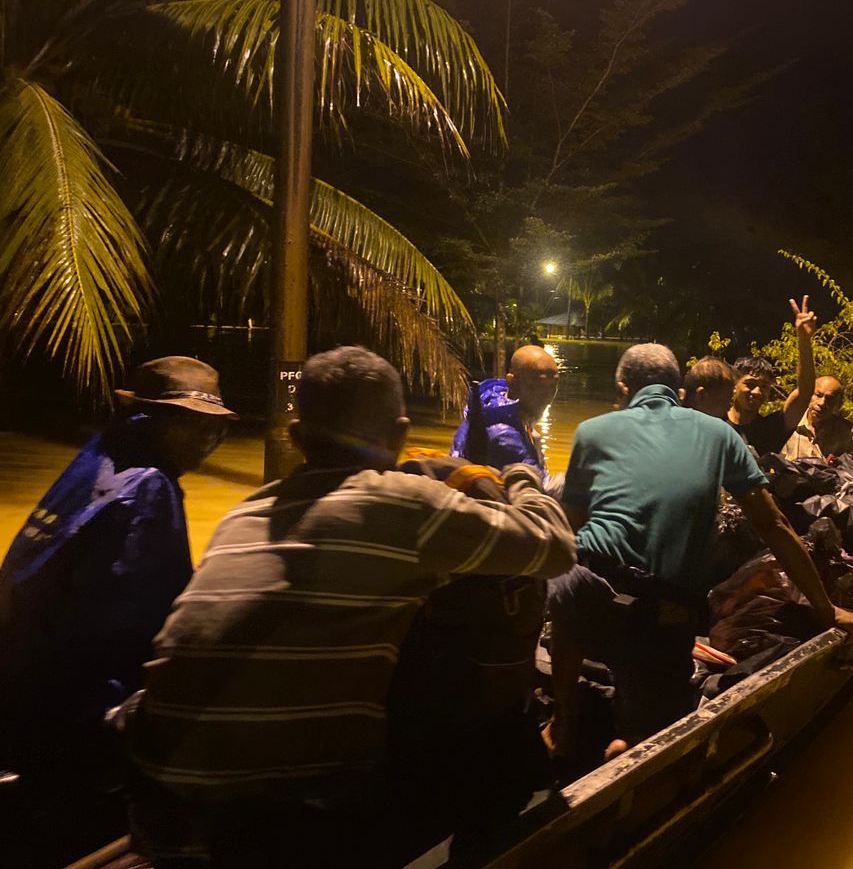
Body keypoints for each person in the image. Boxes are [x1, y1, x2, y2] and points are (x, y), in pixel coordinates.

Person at [125, 346, 576, 867]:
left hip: (157, 801)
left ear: (296, 439)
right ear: (402, 434)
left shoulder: (243, 514)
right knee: (500, 756)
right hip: (280, 818)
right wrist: (517, 476)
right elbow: (554, 550)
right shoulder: (403, 504)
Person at [546, 344, 853, 761]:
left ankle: (563, 717)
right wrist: (825, 608)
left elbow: (568, 528)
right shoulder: (721, 434)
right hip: (658, 614)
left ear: (623, 388)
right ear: (679, 390)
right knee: (646, 739)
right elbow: (774, 526)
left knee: (569, 584)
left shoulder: (592, 431)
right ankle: (631, 741)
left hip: (587, 601)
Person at [0, 356, 234, 866]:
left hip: (22, 689)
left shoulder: (95, 460)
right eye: (191, 424)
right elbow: (148, 624)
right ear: (149, 421)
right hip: (77, 713)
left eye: (213, 428)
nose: (206, 440)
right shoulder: (147, 490)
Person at [451, 344, 560, 482]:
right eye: (536, 386)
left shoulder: (498, 402)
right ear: (512, 382)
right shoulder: (505, 436)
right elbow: (539, 488)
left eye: (553, 385)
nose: (547, 395)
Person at [727, 296, 817, 454]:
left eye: (764, 387)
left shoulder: (770, 428)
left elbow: (805, 392)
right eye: (750, 384)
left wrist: (804, 340)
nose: (757, 392)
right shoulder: (714, 422)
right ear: (734, 384)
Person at [780, 376, 853, 461]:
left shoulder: (849, 433)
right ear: (809, 395)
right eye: (818, 395)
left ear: (838, 403)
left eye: (830, 399)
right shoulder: (787, 426)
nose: (822, 403)